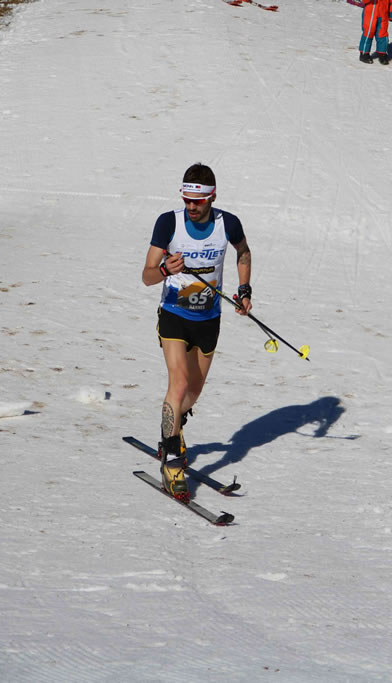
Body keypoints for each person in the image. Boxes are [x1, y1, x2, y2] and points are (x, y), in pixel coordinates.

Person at [141, 163, 252, 500]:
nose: (191, 206)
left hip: (209, 318)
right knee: (179, 384)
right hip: (174, 315)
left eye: (197, 202)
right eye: (186, 200)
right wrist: (164, 270)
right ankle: (172, 461)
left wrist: (244, 290)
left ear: (211, 198)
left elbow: (243, 252)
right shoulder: (169, 222)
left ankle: (170, 430)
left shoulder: (227, 223)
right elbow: (147, 276)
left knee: (193, 393)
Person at [359, 0, 392, 65]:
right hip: (370, 13)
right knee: (368, 33)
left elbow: (391, 2)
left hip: (383, 15)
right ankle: (364, 53)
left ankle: (382, 54)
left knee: (382, 34)